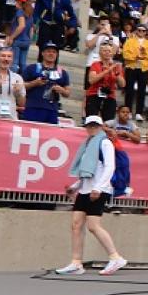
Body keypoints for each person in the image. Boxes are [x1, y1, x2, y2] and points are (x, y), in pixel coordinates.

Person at [55, 115, 128, 276]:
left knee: (93, 226)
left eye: (95, 125)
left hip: (99, 189)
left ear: (101, 126)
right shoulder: (88, 144)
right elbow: (86, 171)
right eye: (89, 125)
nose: (92, 128)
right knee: (76, 225)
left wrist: (99, 188)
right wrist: (75, 187)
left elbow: (110, 167)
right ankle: (76, 262)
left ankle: (116, 257)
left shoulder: (105, 143)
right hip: (85, 189)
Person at [21, 42, 71, 124]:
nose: (51, 54)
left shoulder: (62, 72)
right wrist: (35, 83)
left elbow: (68, 93)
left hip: (52, 109)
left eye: (54, 52)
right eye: (48, 51)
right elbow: (20, 86)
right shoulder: (32, 68)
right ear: (42, 53)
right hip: (33, 107)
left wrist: (61, 90)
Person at [121, 25, 148, 121]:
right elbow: (125, 54)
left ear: (145, 32)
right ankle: (127, 111)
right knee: (129, 90)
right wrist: (135, 57)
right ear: (136, 31)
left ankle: (138, 112)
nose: (141, 32)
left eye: (143, 30)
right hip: (131, 67)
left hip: (143, 68)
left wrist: (145, 53)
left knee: (142, 91)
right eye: (139, 30)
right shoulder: (129, 41)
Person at [85, 42, 124, 122]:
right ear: (100, 53)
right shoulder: (95, 64)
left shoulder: (116, 66)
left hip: (110, 95)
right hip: (94, 94)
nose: (107, 53)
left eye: (109, 51)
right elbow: (91, 80)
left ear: (112, 53)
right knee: (92, 120)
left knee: (109, 122)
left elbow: (122, 84)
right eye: (104, 51)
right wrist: (107, 71)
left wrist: (117, 74)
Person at [4, 0, 35, 74]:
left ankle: (13, 78)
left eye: (17, 1)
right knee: (23, 63)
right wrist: (29, 40)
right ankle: (24, 77)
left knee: (14, 63)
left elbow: (22, 26)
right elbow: (32, 29)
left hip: (18, 40)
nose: (15, 3)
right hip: (26, 41)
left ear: (20, 3)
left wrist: (11, 37)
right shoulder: (30, 14)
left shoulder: (20, 12)